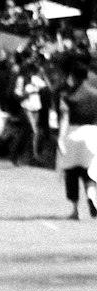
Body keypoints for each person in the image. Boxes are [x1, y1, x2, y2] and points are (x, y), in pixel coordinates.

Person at [57, 54, 97, 219]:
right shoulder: (95, 94)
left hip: (73, 134)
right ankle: (91, 194)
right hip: (92, 134)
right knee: (90, 171)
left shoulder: (67, 95)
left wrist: (60, 138)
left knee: (71, 173)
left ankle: (75, 210)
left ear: (73, 76)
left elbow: (65, 117)